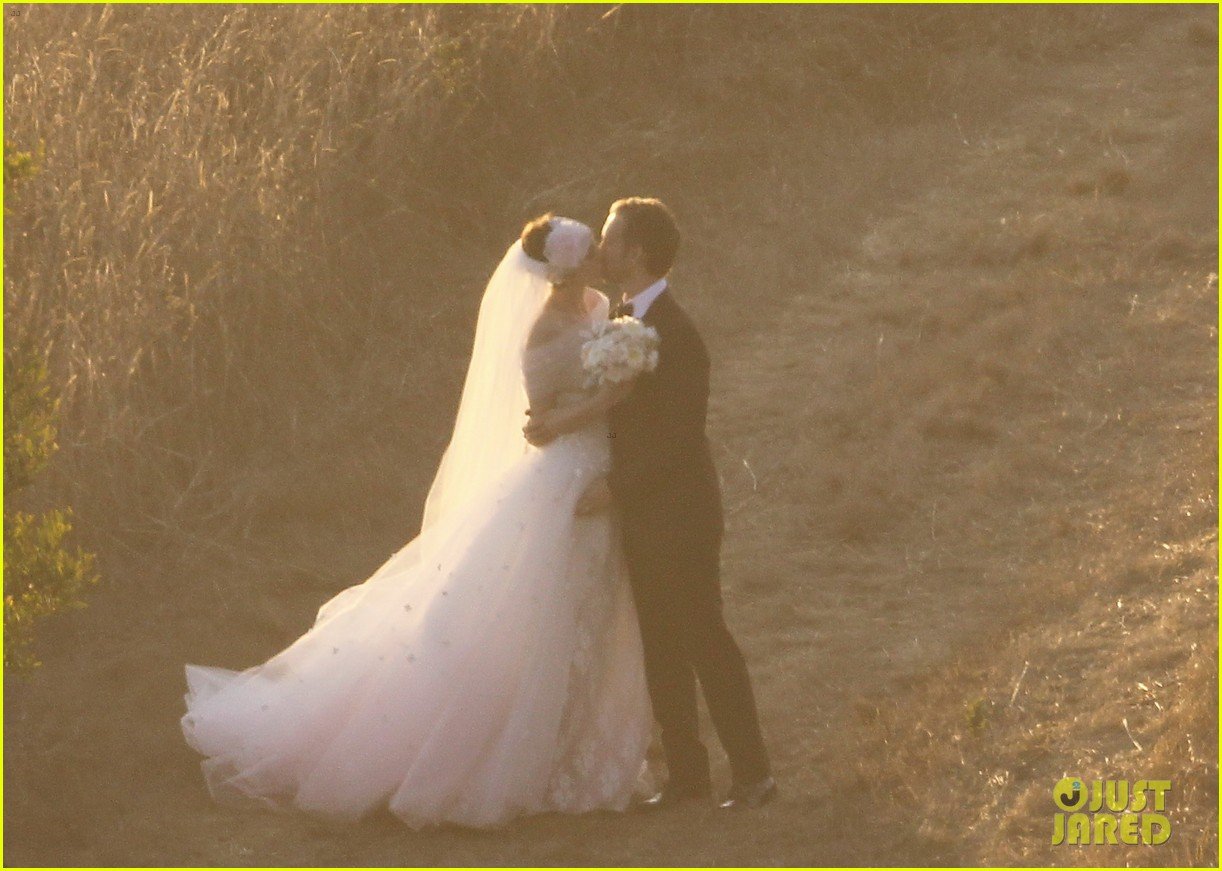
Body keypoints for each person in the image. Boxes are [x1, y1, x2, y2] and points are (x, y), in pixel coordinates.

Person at [180, 215, 652, 828]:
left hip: (599, 471)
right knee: (551, 613)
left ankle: (588, 744)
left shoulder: (597, 306)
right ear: (563, 267)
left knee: (595, 606)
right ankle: (532, 756)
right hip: (565, 476)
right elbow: (538, 424)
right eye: (590, 250)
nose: (599, 258)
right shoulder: (541, 334)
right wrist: (608, 400)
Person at [524, 197, 776, 811]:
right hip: (642, 516)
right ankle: (687, 779)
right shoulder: (618, 315)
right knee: (661, 647)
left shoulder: (675, 330)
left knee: (704, 638)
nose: (600, 251)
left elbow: (679, 438)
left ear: (635, 252)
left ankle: (753, 774)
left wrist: (616, 489)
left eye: (609, 240)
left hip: (680, 513)